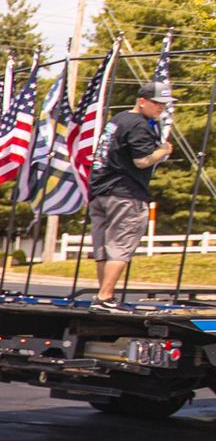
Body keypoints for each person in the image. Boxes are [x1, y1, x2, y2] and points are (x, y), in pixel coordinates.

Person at [88, 80, 173, 313]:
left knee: (103, 247)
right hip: (125, 194)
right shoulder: (138, 125)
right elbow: (142, 160)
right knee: (120, 246)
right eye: (157, 103)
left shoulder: (117, 121)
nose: (161, 109)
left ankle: (103, 296)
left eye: (164, 105)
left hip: (100, 191)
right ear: (142, 101)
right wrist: (163, 151)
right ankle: (106, 297)